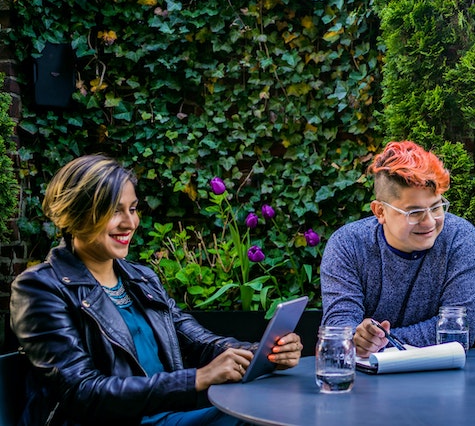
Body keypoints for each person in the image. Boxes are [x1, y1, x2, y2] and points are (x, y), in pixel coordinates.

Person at [10, 154, 303, 426]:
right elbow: (82, 391)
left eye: (133, 209)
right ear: (76, 214)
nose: (130, 223)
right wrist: (196, 379)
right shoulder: (40, 288)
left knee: (275, 405)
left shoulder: (141, 279)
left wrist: (263, 353)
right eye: (115, 211)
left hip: (167, 415)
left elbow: (199, 342)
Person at [320, 140, 475, 357]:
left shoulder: (460, 238)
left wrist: (378, 344)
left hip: (442, 380)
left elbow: (460, 331)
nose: (429, 222)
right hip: (367, 384)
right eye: (414, 212)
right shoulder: (347, 245)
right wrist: (356, 338)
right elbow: (339, 329)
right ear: (380, 211)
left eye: (436, 207)